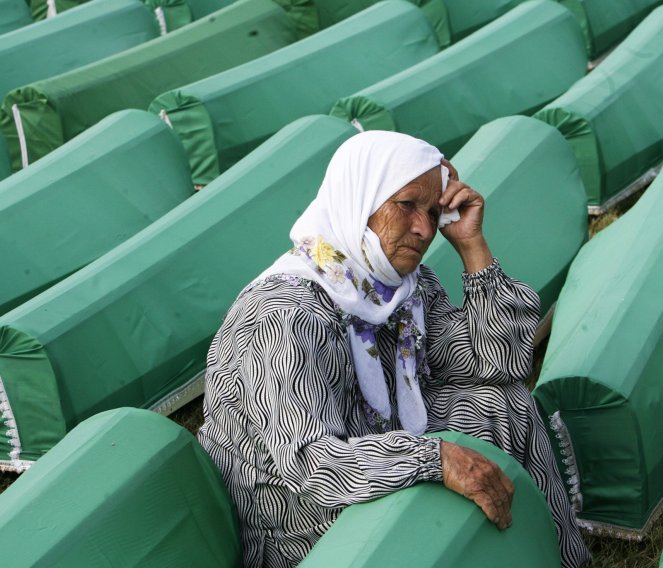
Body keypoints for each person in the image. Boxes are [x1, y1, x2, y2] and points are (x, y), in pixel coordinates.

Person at [198, 131, 590, 567]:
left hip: (378, 440)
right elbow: (310, 463)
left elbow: (498, 364)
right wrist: (434, 458)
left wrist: (472, 245)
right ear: (359, 199)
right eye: (406, 205)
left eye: (433, 210)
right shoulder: (283, 314)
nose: (424, 229)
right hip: (302, 517)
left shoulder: (400, 286)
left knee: (505, 403)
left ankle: (551, 556)